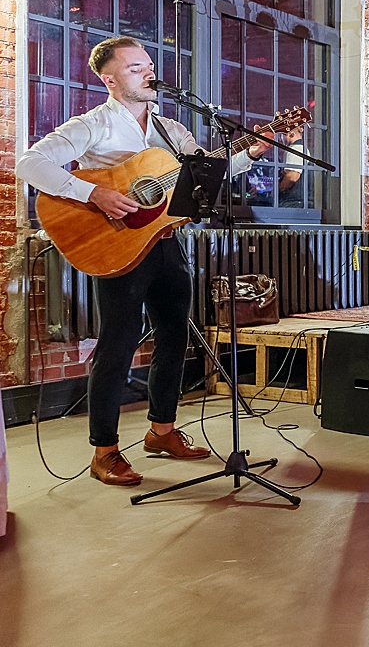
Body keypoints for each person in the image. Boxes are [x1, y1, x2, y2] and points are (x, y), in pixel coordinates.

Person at [16, 36, 273, 486]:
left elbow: (203, 175)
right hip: (115, 245)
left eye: (149, 65)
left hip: (165, 242)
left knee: (175, 338)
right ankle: (105, 451)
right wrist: (92, 191)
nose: (149, 73)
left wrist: (248, 154)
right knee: (118, 344)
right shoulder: (91, 125)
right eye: (135, 68)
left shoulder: (173, 132)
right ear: (109, 78)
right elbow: (31, 164)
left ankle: (162, 430)